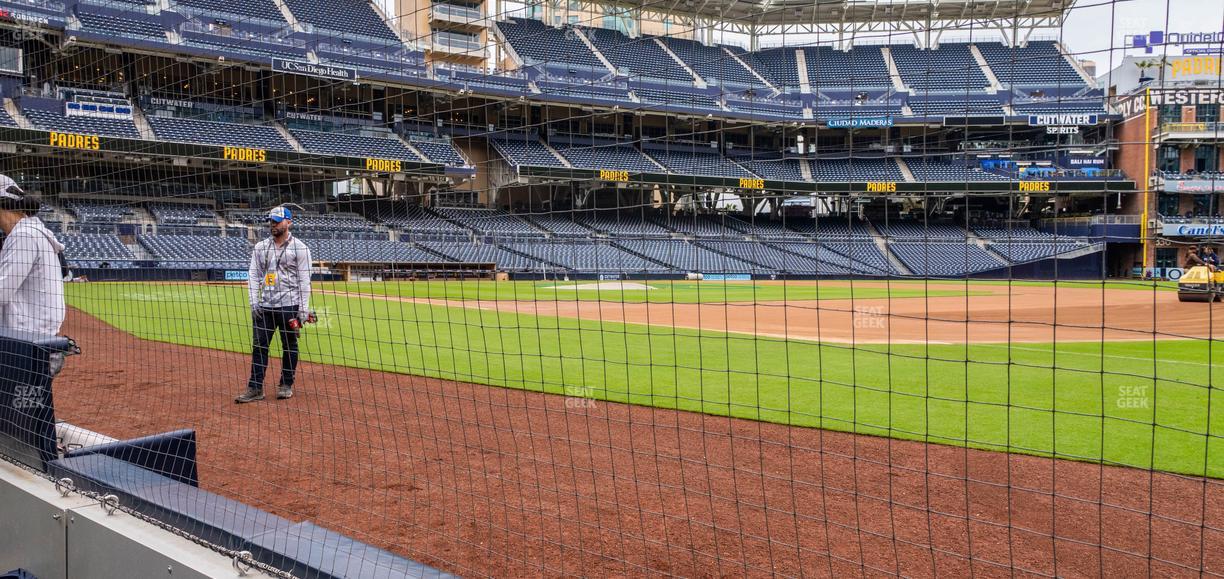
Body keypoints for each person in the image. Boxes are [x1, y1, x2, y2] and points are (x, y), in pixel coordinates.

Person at [236, 206, 312, 403]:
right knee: (259, 346)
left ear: (289, 222)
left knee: (289, 345)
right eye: (271, 220)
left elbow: (305, 281)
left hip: (290, 305)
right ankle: (255, 388)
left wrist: (303, 309)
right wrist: (254, 302)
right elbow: (253, 275)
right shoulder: (261, 247)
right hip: (265, 306)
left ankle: (286, 384)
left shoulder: (301, 248)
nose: (273, 224)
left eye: (277, 221)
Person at [0, 175, 66, 337]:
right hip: (35, 333)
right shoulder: (32, 232)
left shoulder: (24, 235)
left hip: (25, 336)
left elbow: (2, 292)